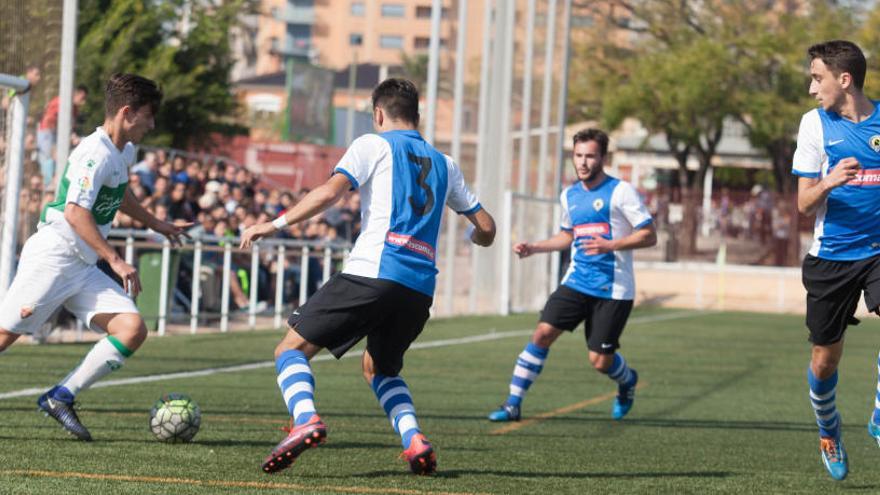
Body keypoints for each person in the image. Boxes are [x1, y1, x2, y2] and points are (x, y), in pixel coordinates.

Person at [240, 78, 496, 476]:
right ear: (417, 114)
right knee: (380, 368)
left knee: (290, 350)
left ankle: (305, 418)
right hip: (419, 287)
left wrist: (272, 225)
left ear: (378, 113)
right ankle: (414, 440)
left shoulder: (372, 144)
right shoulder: (446, 164)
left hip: (373, 272)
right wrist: (476, 236)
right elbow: (487, 226)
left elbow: (329, 193)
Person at [0, 74, 190, 442]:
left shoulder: (124, 150)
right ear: (126, 112)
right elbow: (75, 213)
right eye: (148, 116)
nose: (152, 125)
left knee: (132, 329)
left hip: (83, 264)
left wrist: (157, 223)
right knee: (5, 334)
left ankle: (61, 396)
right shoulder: (94, 151)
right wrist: (115, 260)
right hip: (54, 257)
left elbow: (119, 194)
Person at [487, 128, 656, 424]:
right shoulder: (569, 196)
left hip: (613, 289)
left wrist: (611, 244)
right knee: (542, 334)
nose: (583, 162)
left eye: (590, 156)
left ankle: (627, 381)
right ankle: (513, 404)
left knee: (600, 361)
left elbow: (649, 235)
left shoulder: (621, 191)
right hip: (576, 281)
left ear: (603, 157)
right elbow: (568, 236)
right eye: (578, 156)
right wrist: (535, 247)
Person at [792, 40, 880, 481]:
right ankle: (829, 430)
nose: (812, 88)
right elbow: (804, 205)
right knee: (825, 361)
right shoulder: (814, 125)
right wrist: (829, 180)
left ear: (844, 80)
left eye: (817, 77)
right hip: (831, 258)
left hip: (878, 250)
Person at [37, 85, 89, 187]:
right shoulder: (61, 102)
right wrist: (60, 140)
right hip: (48, 134)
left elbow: (70, 127)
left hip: (58, 135)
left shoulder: (74, 108)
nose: (84, 102)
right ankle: (48, 188)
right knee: (49, 161)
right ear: (76, 94)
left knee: (59, 162)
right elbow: (49, 121)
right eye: (82, 98)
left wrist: (71, 135)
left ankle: (54, 186)